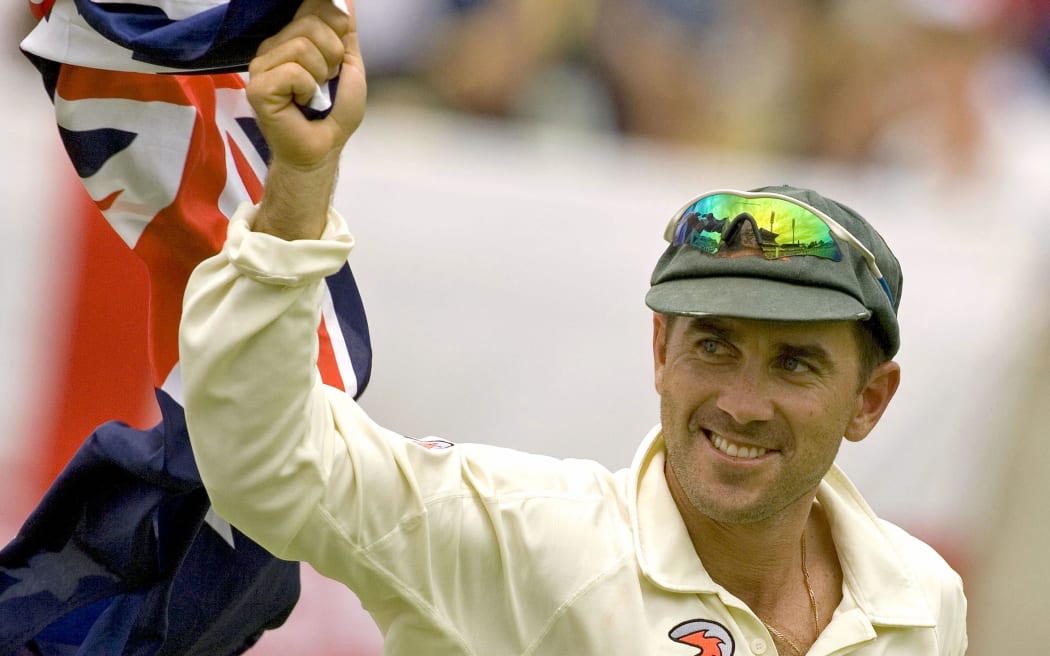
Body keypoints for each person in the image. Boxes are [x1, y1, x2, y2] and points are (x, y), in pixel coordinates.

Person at [178, 1, 968, 653]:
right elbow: (270, 465)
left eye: (795, 363)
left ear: (870, 400)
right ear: (661, 351)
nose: (742, 401)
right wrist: (299, 187)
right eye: (714, 345)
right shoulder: (530, 541)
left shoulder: (923, 600)